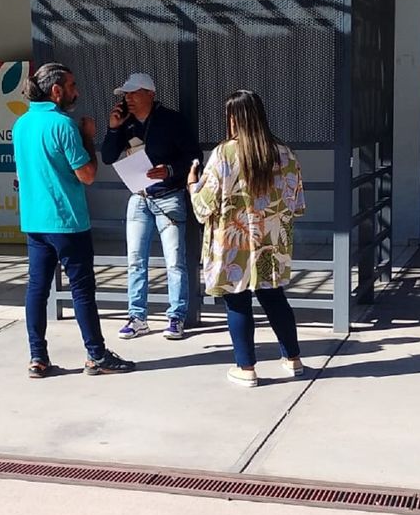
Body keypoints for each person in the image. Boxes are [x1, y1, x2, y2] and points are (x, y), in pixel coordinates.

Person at [12, 62, 135, 379]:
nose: (76, 91)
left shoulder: (21, 125)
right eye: (72, 85)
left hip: (34, 222)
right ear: (56, 91)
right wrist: (88, 138)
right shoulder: (64, 126)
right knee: (82, 291)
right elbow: (88, 175)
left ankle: (37, 358)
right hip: (67, 221)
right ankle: (96, 356)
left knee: (37, 290)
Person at [188, 90, 306, 387]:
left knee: (237, 300)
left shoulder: (224, 153)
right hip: (271, 240)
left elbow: (205, 204)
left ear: (233, 119)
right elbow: (296, 203)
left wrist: (192, 184)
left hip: (233, 242)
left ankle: (246, 368)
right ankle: (293, 360)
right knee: (274, 296)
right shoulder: (285, 153)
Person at [100, 72, 202, 342]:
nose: (128, 98)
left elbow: (194, 157)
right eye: (126, 94)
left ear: (150, 94)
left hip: (169, 195)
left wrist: (169, 170)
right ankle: (137, 317)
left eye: (134, 93)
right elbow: (109, 156)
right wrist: (113, 128)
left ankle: (176, 317)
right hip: (139, 197)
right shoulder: (126, 122)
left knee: (174, 262)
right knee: (135, 260)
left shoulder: (172, 120)